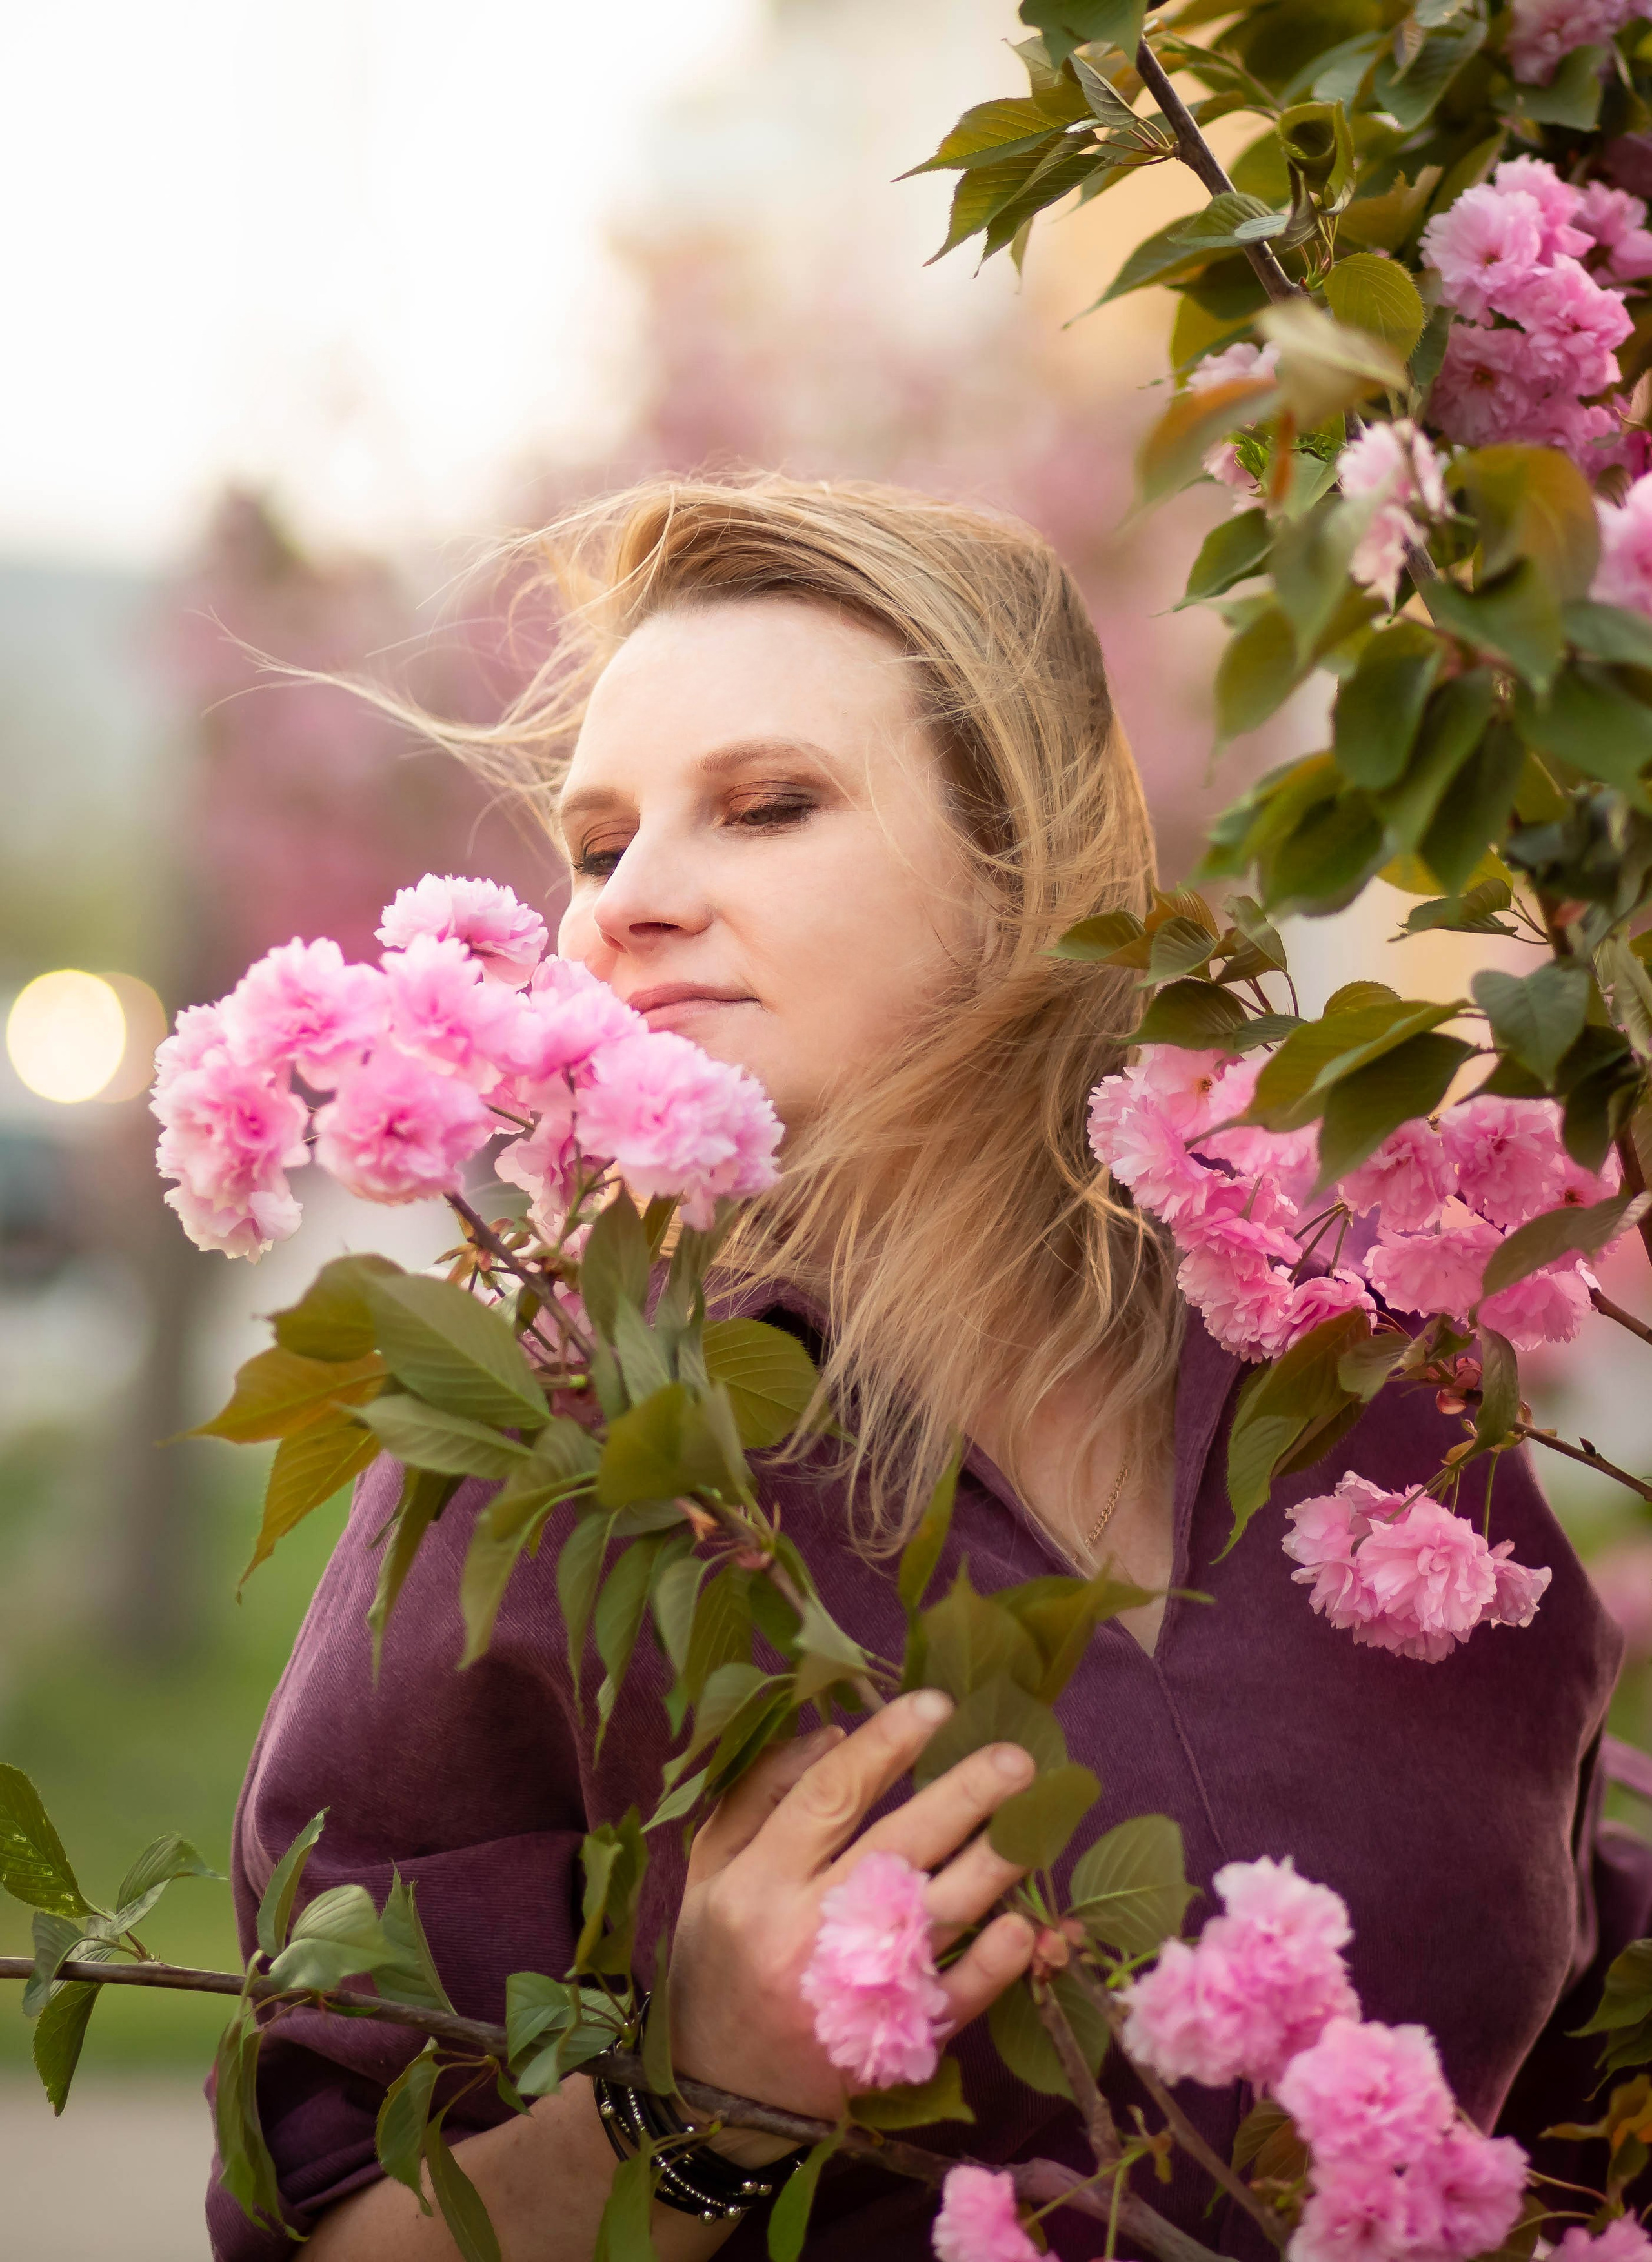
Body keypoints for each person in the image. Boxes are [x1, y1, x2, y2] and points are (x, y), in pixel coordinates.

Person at [208, 477, 1640, 2262]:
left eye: (768, 804)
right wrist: (694, 2100)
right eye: (597, 841)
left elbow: (1578, 2033)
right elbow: (323, 2228)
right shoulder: (553, 1441)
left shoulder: (1362, 1382)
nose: (628, 903)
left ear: (1020, 857)